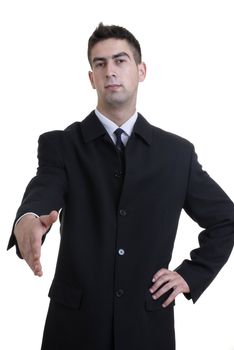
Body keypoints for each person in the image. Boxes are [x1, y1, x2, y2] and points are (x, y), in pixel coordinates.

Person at [8, 23, 234, 350]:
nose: (110, 71)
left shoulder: (176, 154)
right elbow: (45, 187)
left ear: (141, 70)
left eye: (120, 60)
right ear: (91, 78)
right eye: (100, 64)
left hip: (147, 328)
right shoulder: (62, 145)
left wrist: (192, 274)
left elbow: (226, 219)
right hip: (74, 330)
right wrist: (28, 217)